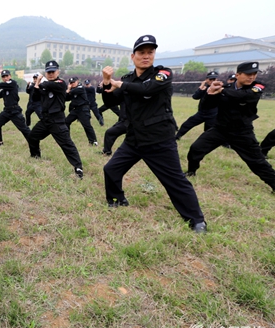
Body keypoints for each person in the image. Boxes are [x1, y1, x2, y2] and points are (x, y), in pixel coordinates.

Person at [101, 34, 206, 233]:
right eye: (141, 52)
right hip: (134, 139)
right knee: (111, 169)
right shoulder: (128, 79)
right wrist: (107, 82)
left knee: (175, 181)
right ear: (133, 56)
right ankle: (117, 200)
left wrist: (120, 85)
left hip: (159, 139)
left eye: (150, 52)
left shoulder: (163, 74)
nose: (146, 56)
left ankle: (197, 220)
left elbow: (146, 89)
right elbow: (110, 102)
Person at [186, 61, 275, 192]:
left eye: (254, 74)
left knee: (257, 162)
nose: (252, 77)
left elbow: (245, 96)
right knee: (196, 148)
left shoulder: (257, 86)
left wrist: (222, 91)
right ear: (238, 75)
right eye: (248, 74)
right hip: (220, 129)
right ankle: (191, 172)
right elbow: (207, 106)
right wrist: (210, 92)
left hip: (242, 131)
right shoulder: (226, 87)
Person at [28, 61, 84, 179]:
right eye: (48, 72)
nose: (51, 73)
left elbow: (47, 86)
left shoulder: (61, 83)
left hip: (57, 120)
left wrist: (38, 84)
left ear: (58, 72)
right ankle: (36, 157)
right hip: (45, 119)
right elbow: (35, 96)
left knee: (67, 144)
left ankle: (78, 167)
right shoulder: (45, 84)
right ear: (45, 73)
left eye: (53, 71)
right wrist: (37, 83)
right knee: (32, 136)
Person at [175, 71, 219, 140]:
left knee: (210, 131)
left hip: (212, 114)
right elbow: (195, 97)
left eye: (214, 79)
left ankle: (225, 143)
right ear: (206, 80)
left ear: (216, 80)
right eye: (210, 79)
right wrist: (200, 88)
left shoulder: (219, 89)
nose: (212, 81)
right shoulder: (204, 88)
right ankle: (177, 136)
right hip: (202, 113)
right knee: (187, 123)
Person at [0, 70, 31, 146]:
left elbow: (0, 85)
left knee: (24, 129)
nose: (5, 78)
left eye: (7, 76)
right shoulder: (5, 87)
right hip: (7, 111)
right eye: (3, 77)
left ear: (10, 76)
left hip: (14, 111)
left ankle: (33, 142)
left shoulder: (13, 83)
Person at [65, 76, 98, 146]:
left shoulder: (80, 88)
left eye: (73, 82)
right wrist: (67, 92)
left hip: (83, 109)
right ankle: (66, 139)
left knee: (87, 126)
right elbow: (66, 98)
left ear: (77, 81)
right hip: (75, 110)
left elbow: (72, 92)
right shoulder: (72, 89)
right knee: (66, 122)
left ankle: (93, 141)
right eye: (71, 83)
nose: (72, 84)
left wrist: (68, 90)